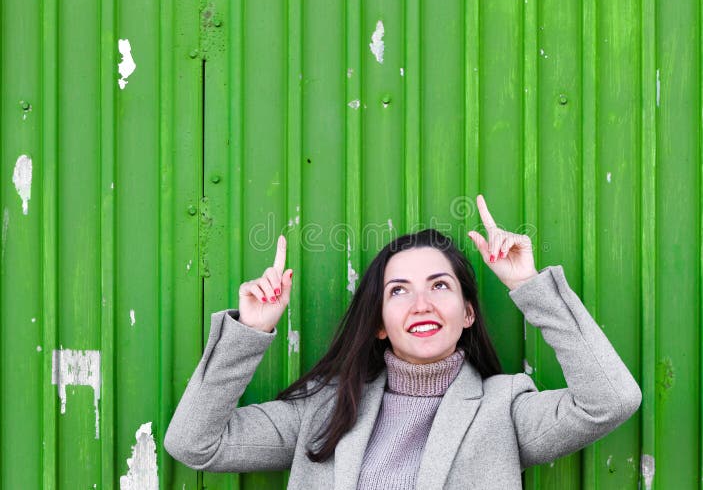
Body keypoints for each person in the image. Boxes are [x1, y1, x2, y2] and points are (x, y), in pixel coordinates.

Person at [164, 194, 641, 489]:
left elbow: (611, 400)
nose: (421, 304)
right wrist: (251, 331)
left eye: (440, 286)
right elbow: (194, 444)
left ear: (468, 313)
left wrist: (528, 285)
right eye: (399, 291)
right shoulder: (324, 412)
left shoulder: (504, 410)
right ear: (378, 323)